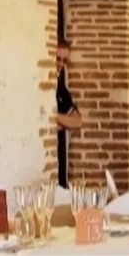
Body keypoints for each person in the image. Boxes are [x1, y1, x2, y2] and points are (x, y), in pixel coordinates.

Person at [54, 40, 83, 186]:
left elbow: (77, 121)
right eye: (57, 58)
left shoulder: (61, 89)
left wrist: (54, 117)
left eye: (64, 60)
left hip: (58, 158)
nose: (60, 63)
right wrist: (64, 122)